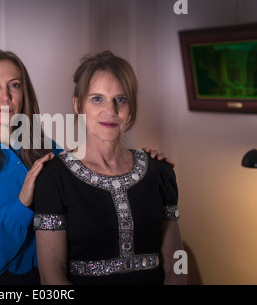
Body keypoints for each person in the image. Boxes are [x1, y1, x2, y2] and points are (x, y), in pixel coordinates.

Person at [0, 49, 174, 285]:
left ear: (24, 93)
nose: (6, 97)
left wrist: (144, 162)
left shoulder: (50, 151)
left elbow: (90, 184)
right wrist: (20, 205)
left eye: (14, 85)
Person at [34, 50, 186, 285]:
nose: (111, 110)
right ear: (77, 105)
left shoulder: (160, 172)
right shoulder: (54, 178)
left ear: (131, 109)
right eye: (97, 99)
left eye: (121, 99)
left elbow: (177, 265)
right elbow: (51, 276)